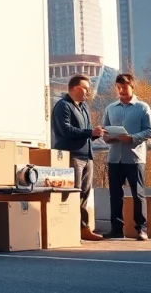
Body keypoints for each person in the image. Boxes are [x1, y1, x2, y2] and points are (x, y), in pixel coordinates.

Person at [50, 74, 106, 241]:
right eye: (85, 89)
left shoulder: (84, 107)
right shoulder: (63, 106)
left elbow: (85, 131)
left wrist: (95, 134)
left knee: (84, 194)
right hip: (72, 155)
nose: (88, 93)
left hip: (87, 155)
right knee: (72, 193)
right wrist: (90, 132)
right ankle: (72, 228)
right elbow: (66, 131)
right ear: (75, 88)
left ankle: (82, 228)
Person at [101, 73, 151, 240]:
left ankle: (141, 229)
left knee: (138, 194)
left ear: (132, 87)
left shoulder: (143, 107)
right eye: (119, 87)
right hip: (114, 157)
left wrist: (132, 138)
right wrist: (106, 137)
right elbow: (104, 130)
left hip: (135, 158)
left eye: (124, 87)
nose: (121, 90)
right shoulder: (110, 108)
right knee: (115, 195)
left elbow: (150, 131)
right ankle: (116, 228)